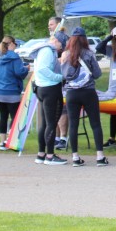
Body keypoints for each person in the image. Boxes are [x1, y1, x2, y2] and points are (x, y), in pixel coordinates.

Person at [59, 28, 108, 167]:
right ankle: (100, 156)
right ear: (85, 39)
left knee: (73, 124)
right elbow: (97, 74)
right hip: (88, 92)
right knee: (95, 124)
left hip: (71, 93)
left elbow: (63, 75)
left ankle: (75, 157)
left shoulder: (65, 55)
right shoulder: (89, 54)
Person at [34, 32, 68, 165]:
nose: (61, 49)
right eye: (62, 45)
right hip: (50, 89)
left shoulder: (43, 50)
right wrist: (60, 77)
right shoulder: (48, 51)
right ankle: (49, 155)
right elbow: (43, 69)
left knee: (45, 123)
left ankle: (41, 154)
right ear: (56, 41)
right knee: (52, 123)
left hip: (42, 88)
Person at [0, 36, 28, 150]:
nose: (16, 46)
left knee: (3, 116)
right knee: (15, 116)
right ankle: (12, 140)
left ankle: (2, 142)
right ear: (11, 44)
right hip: (11, 90)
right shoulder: (14, 57)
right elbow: (19, 72)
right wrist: (26, 69)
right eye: (15, 44)